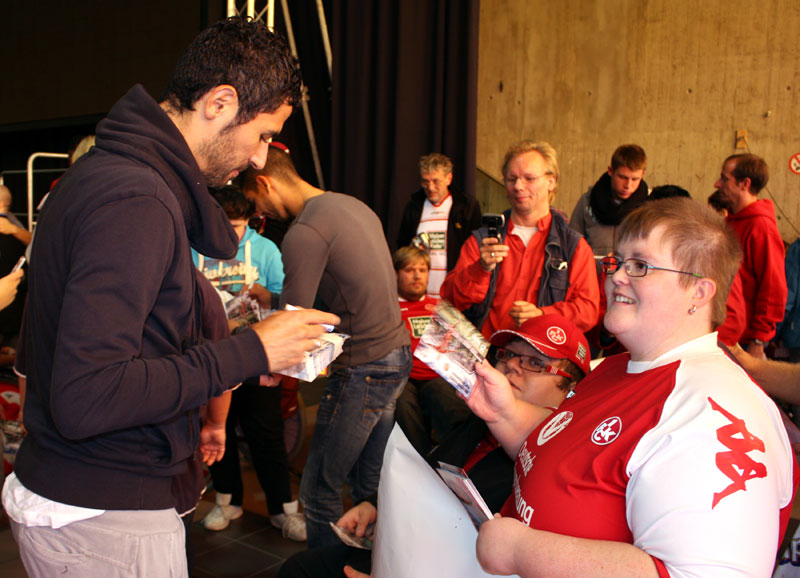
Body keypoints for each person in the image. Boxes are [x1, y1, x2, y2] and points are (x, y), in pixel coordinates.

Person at [1, 18, 339, 578]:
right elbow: (88, 393)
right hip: (103, 509)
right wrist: (250, 351)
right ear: (220, 103)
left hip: (87, 498)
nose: (260, 160)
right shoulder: (135, 197)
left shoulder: (109, 179)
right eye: (262, 137)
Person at [466, 197, 796, 577]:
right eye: (617, 261)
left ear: (699, 293)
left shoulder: (712, 408)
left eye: (640, 265)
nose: (617, 276)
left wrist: (520, 551)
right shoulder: (619, 366)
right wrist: (504, 412)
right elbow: (579, 455)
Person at [280, 313, 591, 578]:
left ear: (571, 389)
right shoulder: (479, 424)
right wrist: (375, 506)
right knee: (300, 568)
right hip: (398, 547)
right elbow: (429, 472)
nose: (512, 367)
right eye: (508, 355)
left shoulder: (555, 465)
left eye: (535, 363)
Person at [240, 145, 411, 549]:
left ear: (265, 183)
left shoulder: (305, 231)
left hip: (365, 366)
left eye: (255, 203)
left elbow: (293, 317)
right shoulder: (350, 204)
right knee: (369, 485)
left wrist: (266, 366)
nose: (259, 214)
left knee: (319, 490)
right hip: (396, 354)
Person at [193, 186, 305, 540]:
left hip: (258, 359)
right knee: (217, 430)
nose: (236, 235)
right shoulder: (195, 250)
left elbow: (289, 300)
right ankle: (227, 501)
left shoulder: (265, 249)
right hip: (212, 360)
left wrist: (267, 296)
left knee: (267, 435)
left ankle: (283, 509)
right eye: (229, 226)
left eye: (242, 226)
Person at [440, 140, 599, 339]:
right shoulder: (481, 240)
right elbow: (450, 299)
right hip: (486, 358)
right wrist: (480, 269)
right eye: (511, 178)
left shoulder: (574, 246)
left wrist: (543, 315)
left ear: (551, 181)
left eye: (529, 178)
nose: (518, 186)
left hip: (540, 360)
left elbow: (588, 310)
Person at [713, 153, 787, 358]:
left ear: (744, 183)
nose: (717, 184)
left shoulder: (761, 227)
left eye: (725, 178)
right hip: (723, 334)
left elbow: (773, 288)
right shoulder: (731, 223)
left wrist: (758, 340)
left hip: (744, 343)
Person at [396, 153, 482, 297]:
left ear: (449, 178)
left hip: (454, 293)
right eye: (425, 181)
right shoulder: (414, 206)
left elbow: (475, 249)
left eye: (436, 181)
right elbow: (401, 247)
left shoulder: (466, 206)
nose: (430, 187)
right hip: (420, 294)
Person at [569, 144, 649, 272]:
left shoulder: (650, 205)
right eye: (622, 177)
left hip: (633, 282)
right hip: (592, 280)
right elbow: (572, 245)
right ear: (610, 171)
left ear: (643, 174)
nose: (628, 185)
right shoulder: (587, 201)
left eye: (635, 179)